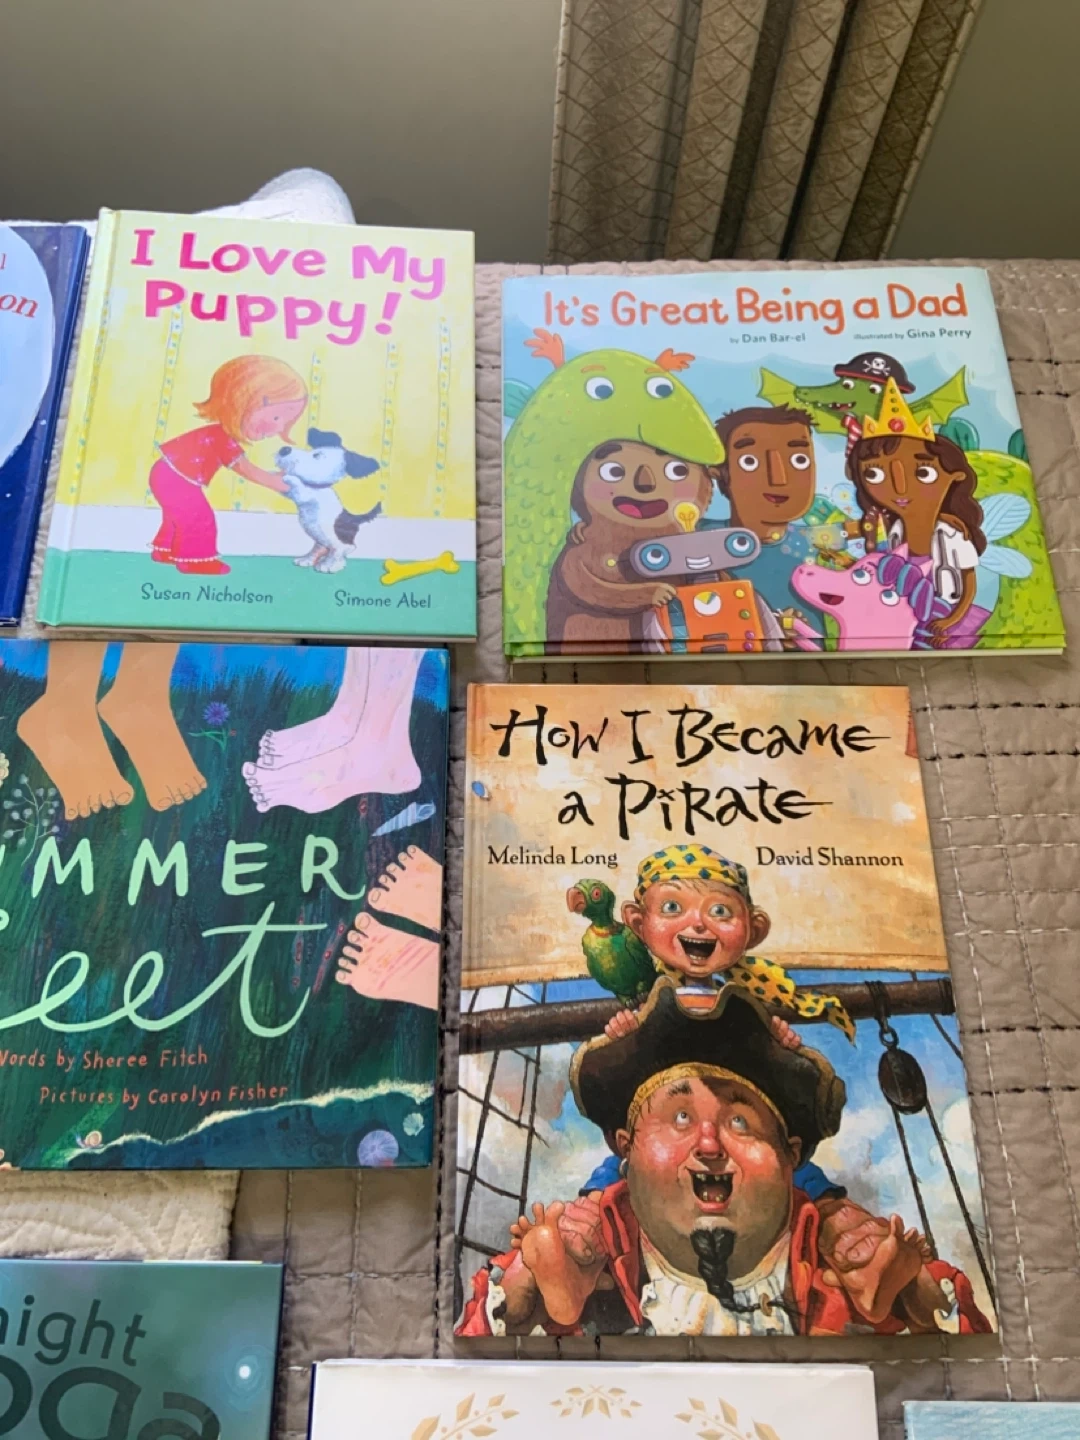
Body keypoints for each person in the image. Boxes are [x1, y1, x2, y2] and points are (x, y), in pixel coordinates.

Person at [456, 983, 993, 1337]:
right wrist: (527, 1284)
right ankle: (564, 1273)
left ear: (790, 1155)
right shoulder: (613, 1236)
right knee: (580, 1232)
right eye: (681, 1118)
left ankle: (881, 1279)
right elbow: (474, 1337)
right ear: (626, 1144)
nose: (710, 1144)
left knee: (852, 1236)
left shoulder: (815, 1251)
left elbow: (970, 1334)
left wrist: (914, 1287)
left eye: (741, 1123)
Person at [604, 844, 853, 1041]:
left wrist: (776, 1040)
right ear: (638, 923)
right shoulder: (651, 1002)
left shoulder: (742, 1006)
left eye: (720, 911)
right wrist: (624, 1032)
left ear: (753, 930)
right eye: (672, 907)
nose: (698, 923)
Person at [847, 378, 988, 649]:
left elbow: (969, 581)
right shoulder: (895, 530)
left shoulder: (951, 534)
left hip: (948, 616)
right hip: (908, 617)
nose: (899, 488)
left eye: (923, 473)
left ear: (955, 476)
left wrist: (952, 620)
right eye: (874, 474)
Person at [149, 354, 305, 576]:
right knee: (198, 518)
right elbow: (245, 469)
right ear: (245, 402)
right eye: (276, 418)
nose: (279, 429)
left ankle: (166, 550)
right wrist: (278, 483)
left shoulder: (219, 435)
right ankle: (195, 561)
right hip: (175, 477)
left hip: (165, 473)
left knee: (178, 514)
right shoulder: (221, 438)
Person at [713, 405, 851, 644]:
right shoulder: (698, 541)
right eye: (749, 461)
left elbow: (861, 531)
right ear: (720, 473)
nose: (778, 478)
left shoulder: (815, 542)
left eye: (799, 460)